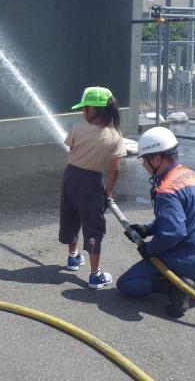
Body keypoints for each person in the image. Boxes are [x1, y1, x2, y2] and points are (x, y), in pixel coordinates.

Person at [116, 127, 195, 317]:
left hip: (187, 259)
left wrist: (149, 250)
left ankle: (179, 286)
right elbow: (184, 219)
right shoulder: (193, 176)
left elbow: (174, 232)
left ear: (157, 159)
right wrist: (146, 229)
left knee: (126, 284)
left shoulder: (167, 190)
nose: (143, 164)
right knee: (180, 252)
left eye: (144, 159)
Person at [60, 86, 126, 289]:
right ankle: (95, 275)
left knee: (71, 216)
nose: (82, 112)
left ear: (93, 110)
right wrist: (108, 192)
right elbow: (115, 170)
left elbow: (71, 148)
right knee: (93, 226)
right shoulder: (115, 135)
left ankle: (73, 257)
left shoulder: (77, 128)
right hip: (92, 182)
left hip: (70, 177)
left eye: (84, 108)